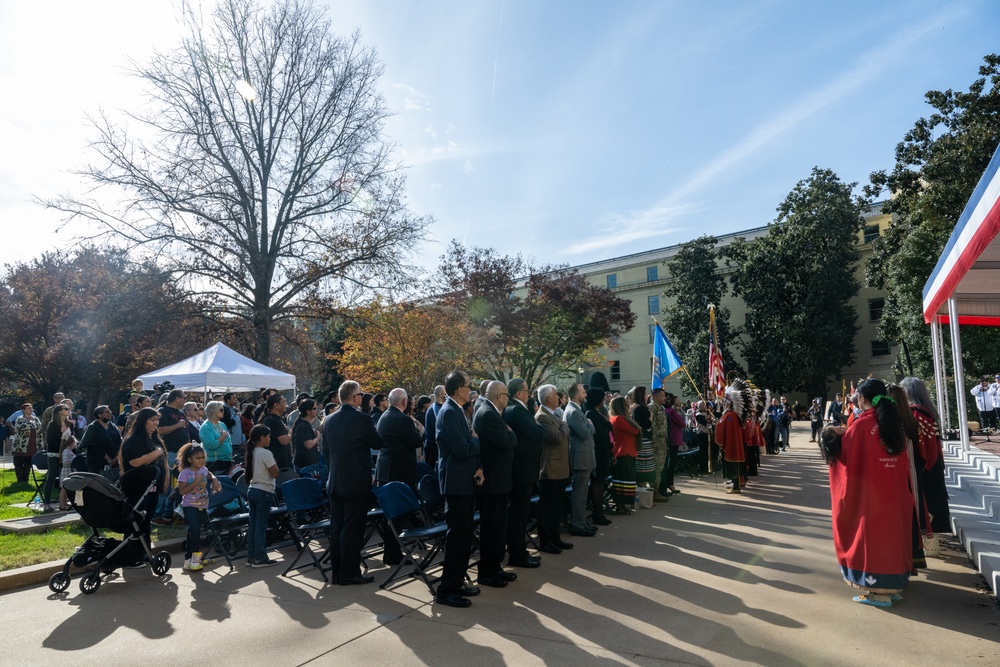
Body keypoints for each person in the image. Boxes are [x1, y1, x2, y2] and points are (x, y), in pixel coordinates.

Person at [825, 378, 913, 607]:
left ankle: (878, 592)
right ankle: (893, 586)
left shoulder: (863, 426)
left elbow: (844, 457)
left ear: (862, 398)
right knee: (893, 538)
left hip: (870, 498)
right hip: (894, 494)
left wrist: (831, 436)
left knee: (872, 541)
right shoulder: (893, 422)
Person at [323, 380, 382, 585]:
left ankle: (338, 572)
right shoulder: (361, 419)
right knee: (353, 528)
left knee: (337, 527)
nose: (361, 397)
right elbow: (377, 442)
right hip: (356, 481)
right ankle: (349, 572)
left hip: (336, 480)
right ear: (355, 397)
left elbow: (326, 451)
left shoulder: (329, 420)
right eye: (360, 394)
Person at [435, 370, 483, 608]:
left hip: (464, 479)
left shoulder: (457, 411)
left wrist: (478, 468)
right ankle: (446, 590)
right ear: (459, 390)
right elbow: (463, 448)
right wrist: (475, 440)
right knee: (457, 538)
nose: (471, 388)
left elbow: (468, 446)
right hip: (455, 483)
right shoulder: (449, 412)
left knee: (464, 537)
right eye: (468, 385)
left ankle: (457, 582)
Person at [472, 381, 518, 587]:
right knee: (492, 527)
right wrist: (510, 433)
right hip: (493, 480)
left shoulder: (491, 412)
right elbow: (507, 441)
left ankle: (495, 567)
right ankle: (487, 571)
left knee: (498, 526)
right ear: (499, 396)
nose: (508, 399)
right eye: (507, 395)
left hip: (499, 479)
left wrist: (508, 432)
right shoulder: (487, 413)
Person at [899, 376, 952, 543]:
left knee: (928, 502)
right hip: (934, 461)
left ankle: (929, 538)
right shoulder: (927, 410)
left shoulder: (916, 412)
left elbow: (921, 443)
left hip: (924, 463)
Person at [502, 378, 544, 569]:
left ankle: (519, 551)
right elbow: (536, 433)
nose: (529, 394)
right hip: (522, 468)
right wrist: (538, 426)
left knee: (519, 513)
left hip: (522, 468)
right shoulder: (516, 410)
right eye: (527, 391)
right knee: (518, 513)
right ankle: (517, 553)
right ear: (519, 393)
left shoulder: (514, 409)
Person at [119, 407, 171, 547]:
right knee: (136, 520)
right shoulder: (134, 439)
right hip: (138, 487)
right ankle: (131, 553)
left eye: (157, 420)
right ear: (143, 421)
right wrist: (156, 453)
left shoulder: (156, 439)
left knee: (147, 520)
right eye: (152, 420)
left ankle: (144, 553)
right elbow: (135, 462)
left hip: (154, 486)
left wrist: (166, 481)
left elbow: (164, 462)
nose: (156, 423)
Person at [536, 384, 573, 552]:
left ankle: (555, 537)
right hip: (550, 469)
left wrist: (563, 427)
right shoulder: (542, 416)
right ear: (548, 398)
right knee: (547, 507)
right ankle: (545, 541)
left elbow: (563, 433)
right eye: (556, 395)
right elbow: (556, 437)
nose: (559, 397)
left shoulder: (554, 415)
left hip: (560, 467)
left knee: (557, 506)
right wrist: (564, 426)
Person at [176, 443, 222, 571]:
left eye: (203, 457)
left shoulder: (203, 470)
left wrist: (214, 479)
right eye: (198, 458)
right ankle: (194, 559)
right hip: (190, 506)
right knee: (195, 530)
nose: (201, 460)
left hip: (203, 506)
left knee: (194, 531)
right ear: (190, 459)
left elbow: (209, 474)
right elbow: (181, 491)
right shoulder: (185, 473)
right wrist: (196, 482)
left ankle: (188, 560)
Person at [563, 383, 597, 536]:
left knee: (582, 493)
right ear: (576, 395)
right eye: (583, 392)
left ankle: (581, 521)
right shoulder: (574, 412)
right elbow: (584, 433)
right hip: (580, 458)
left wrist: (589, 426)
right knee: (579, 493)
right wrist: (590, 426)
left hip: (583, 457)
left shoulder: (576, 410)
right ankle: (578, 523)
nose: (586, 395)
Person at [245, 425, 279, 567]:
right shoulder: (265, 453)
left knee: (253, 524)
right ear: (262, 438)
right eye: (268, 436)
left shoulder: (252, 452)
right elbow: (275, 473)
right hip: (264, 491)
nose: (270, 439)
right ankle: (259, 556)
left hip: (253, 489)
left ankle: (251, 556)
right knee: (260, 525)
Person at [584, 388, 613, 526]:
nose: (603, 400)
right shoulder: (591, 414)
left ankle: (599, 512)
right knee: (597, 482)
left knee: (601, 481)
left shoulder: (597, 413)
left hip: (604, 451)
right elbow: (600, 432)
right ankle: (598, 513)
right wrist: (607, 424)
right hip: (598, 453)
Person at [609, 396, 640, 513]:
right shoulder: (620, 419)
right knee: (626, 481)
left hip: (620, 452)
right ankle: (623, 505)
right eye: (626, 405)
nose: (628, 407)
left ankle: (621, 505)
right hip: (624, 452)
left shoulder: (613, 418)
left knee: (620, 481)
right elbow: (635, 431)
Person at [42, 404, 73, 512]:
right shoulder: (53, 424)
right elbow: (50, 441)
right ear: (59, 412)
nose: (68, 410)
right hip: (54, 454)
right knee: (52, 476)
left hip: (66, 453)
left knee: (66, 477)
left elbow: (72, 439)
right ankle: (46, 503)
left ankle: (64, 502)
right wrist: (62, 432)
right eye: (66, 409)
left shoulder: (70, 424)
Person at [715, 388, 746, 494]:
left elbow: (722, 428)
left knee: (733, 465)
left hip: (731, 444)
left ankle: (736, 487)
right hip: (732, 443)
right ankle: (734, 485)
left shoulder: (730, 416)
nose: (723, 403)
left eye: (725, 401)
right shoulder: (731, 415)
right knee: (733, 465)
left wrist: (717, 424)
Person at [80, 405, 123, 474]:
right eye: (107, 412)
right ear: (100, 415)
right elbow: (91, 445)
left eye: (110, 411)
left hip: (115, 462)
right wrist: (107, 458)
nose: (110, 413)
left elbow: (119, 441)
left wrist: (117, 457)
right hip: (98, 462)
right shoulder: (93, 427)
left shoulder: (113, 426)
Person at [660, 393, 686, 497]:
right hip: (674, 438)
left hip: (671, 438)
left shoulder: (667, 410)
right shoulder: (671, 411)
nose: (669, 400)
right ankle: (670, 483)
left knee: (670, 463)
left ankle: (669, 483)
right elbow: (682, 423)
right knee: (671, 463)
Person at [629, 387, 655, 489]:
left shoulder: (636, 407)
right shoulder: (638, 408)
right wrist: (651, 417)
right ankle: (642, 489)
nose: (646, 395)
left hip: (644, 440)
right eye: (645, 394)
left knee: (645, 466)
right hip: (642, 441)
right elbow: (647, 424)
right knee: (643, 467)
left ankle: (643, 488)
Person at [199, 401, 233, 474]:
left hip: (227, 460)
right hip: (214, 463)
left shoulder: (222, 424)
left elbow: (228, 441)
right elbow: (211, 445)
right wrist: (223, 436)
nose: (223, 412)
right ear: (213, 412)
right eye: (221, 410)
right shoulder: (206, 427)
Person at [648, 389, 669, 502]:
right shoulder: (652, 408)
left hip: (663, 443)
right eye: (662, 396)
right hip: (656, 444)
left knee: (660, 467)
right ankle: (654, 491)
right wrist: (654, 444)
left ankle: (657, 490)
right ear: (655, 397)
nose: (665, 398)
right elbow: (652, 427)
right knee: (656, 468)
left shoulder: (661, 408)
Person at [261, 393, 292, 469]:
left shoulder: (277, 419)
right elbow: (284, 440)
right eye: (283, 402)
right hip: (278, 464)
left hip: (283, 462)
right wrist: (291, 431)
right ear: (276, 405)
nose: (286, 404)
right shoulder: (273, 420)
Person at [12, 404, 41, 483]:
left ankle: (26, 479)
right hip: (20, 444)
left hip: (32, 444)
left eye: (31, 408)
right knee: (19, 462)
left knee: (29, 462)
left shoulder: (36, 419)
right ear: (24, 410)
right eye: (28, 408)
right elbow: (23, 426)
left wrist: (40, 443)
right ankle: (20, 479)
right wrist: (33, 426)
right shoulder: (19, 418)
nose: (31, 410)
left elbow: (39, 430)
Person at [292, 399, 322, 470]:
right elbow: (308, 445)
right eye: (314, 409)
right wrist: (317, 437)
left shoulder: (305, 424)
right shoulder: (304, 426)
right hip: (305, 464)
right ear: (308, 411)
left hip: (309, 462)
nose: (316, 410)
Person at [424, 385, 446, 466]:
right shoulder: (434, 409)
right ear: (441, 394)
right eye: (445, 394)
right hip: (433, 448)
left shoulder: (441, 407)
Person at [58, 435, 78, 511]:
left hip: (70, 471)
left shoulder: (70, 451)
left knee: (67, 488)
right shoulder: (66, 451)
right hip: (66, 471)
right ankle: (62, 504)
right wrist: (74, 460)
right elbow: (65, 462)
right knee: (64, 488)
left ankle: (65, 503)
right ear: (71, 443)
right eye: (74, 443)